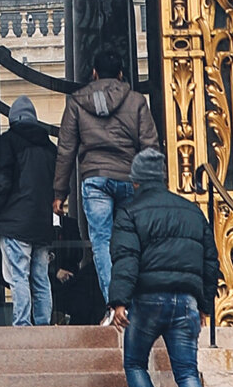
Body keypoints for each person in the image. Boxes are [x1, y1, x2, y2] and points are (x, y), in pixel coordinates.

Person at [109, 145, 213, 387]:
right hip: (186, 301)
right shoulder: (192, 211)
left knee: (135, 361)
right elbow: (210, 261)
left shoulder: (129, 211)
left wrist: (119, 301)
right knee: (186, 372)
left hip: (148, 299)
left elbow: (127, 259)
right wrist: (206, 305)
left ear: (136, 181)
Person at [52, 47, 158, 306]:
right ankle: (133, 302)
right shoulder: (136, 101)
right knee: (130, 241)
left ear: (94, 73)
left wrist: (59, 193)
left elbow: (66, 149)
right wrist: (152, 186)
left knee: (101, 242)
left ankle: (116, 304)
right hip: (129, 178)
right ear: (121, 74)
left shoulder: (77, 102)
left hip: (95, 179)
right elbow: (150, 146)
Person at [0, 95, 57, 327]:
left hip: (15, 221)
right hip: (42, 222)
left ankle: (22, 326)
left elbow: (1, 183)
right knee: (40, 277)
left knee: (19, 276)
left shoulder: (9, 141)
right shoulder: (49, 147)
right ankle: (44, 325)